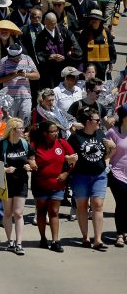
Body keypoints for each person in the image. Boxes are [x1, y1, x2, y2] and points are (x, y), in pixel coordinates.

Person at [68, 107, 115, 250]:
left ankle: (98, 239)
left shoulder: (101, 134)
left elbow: (104, 157)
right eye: (96, 120)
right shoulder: (75, 137)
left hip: (99, 175)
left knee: (98, 205)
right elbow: (68, 157)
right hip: (80, 176)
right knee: (81, 207)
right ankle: (85, 237)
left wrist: (112, 149)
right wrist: (69, 159)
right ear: (88, 121)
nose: (99, 122)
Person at [30, 120, 77, 252]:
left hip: (58, 184)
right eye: (52, 131)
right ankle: (43, 238)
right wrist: (31, 164)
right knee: (41, 211)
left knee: (54, 212)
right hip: (40, 184)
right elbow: (29, 158)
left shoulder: (62, 143)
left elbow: (74, 159)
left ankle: (55, 241)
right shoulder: (35, 145)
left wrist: (66, 173)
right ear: (45, 133)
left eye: (56, 131)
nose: (55, 133)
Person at [0, 118, 36, 255]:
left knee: (18, 213)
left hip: (21, 181)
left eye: (23, 128)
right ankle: (10, 240)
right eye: (20, 128)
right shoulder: (2, 145)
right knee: (7, 213)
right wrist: (4, 170)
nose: (23, 131)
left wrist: (30, 165)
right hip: (6, 183)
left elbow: (32, 159)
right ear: (12, 130)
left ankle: (18, 242)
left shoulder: (24, 144)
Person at [106, 105, 127, 248]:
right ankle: (120, 233)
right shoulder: (112, 132)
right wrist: (111, 147)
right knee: (122, 202)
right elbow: (105, 155)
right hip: (117, 172)